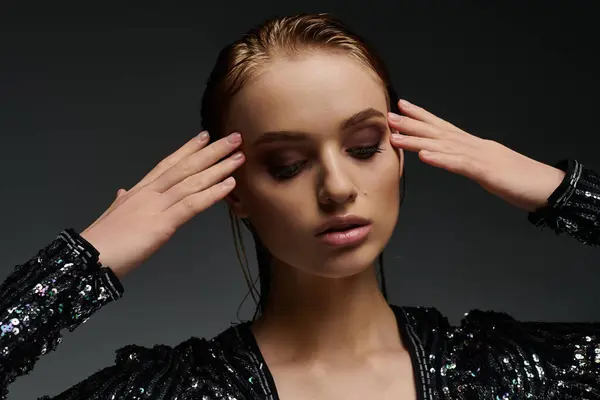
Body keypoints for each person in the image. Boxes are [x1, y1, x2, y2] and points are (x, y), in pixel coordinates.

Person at [1, 13, 599, 400]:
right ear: (235, 191)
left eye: (364, 148)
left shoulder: (506, 370)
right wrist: (85, 262)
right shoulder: (182, 392)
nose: (337, 187)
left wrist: (559, 190)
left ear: (400, 156)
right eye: (287, 164)